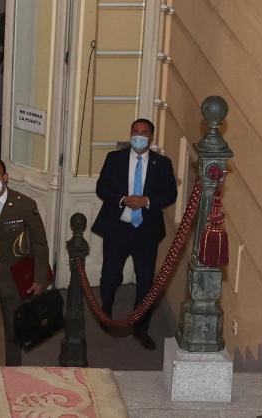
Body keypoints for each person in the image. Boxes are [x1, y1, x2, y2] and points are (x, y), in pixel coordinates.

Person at [91, 118, 178, 350]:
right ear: (130, 133)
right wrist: (122, 199)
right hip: (117, 229)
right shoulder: (115, 158)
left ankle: (141, 328)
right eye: (135, 131)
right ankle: (106, 315)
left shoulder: (162, 163)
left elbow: (171, 194)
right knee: (110, 275)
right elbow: (102, 187)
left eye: (144, 132)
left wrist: (147, 201)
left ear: (151, 137)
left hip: (146, 233)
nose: (139, 135)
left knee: (146, 281)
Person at [0, 159, 49, 366]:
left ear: (5, 177)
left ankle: (13, 370)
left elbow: (40, 243)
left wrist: (39, 279)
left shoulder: (25, 204)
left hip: (13, 272)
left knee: (14, 326)